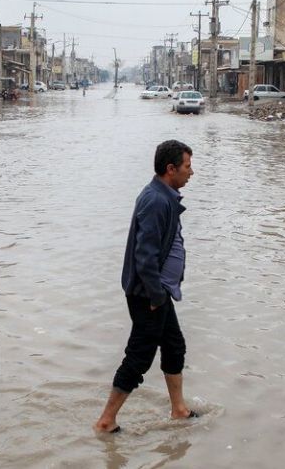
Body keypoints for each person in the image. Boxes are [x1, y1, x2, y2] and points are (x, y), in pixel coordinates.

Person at [94, 140, 197, 434]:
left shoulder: (165, 195)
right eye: (187, 166)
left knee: (174, 346)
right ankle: (106, 421)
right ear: (170, 169)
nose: (191, 172)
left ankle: (179, 410)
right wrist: (155, 295)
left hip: (158, 291)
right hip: (148, 294)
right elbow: (145, 253)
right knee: (139, 356)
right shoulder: (156, 200)